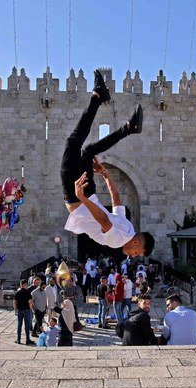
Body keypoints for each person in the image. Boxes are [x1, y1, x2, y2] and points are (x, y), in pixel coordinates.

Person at [61, 70, 155, 259]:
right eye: (136, 253)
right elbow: (103, 219)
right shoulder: (118, 240)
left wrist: (105, 175)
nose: (132, 255)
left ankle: (127, 127)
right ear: (137, 242)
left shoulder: (128, 228)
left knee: (87, 150)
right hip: (79, 199)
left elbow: (116, 199)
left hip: (89, 195)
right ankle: (100, 99)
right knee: (73, 143)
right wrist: (83, 197)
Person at [13, 279, 35, 345]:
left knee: (19, 325)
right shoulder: (28, 293)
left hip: (19, 310)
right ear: (25, 285)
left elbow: (14, 302)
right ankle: (27, 339)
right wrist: (31, 309)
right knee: (27, 325)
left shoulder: (17, 293)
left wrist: (15, 310)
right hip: (27, 310)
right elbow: (30, 302)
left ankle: (18, 339)